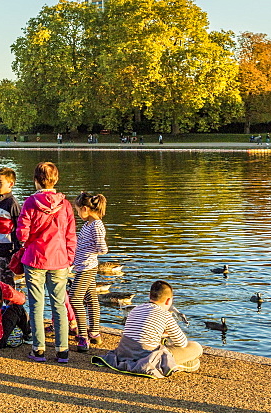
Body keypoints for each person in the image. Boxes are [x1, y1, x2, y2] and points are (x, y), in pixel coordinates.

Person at [16, 161, 77, 363]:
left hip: (35, 258)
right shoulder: (66, 205)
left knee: (36, 304)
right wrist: (69, 258)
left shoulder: (30, 203)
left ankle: (39, 349)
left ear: (36, 181)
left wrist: (25, 239)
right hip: (59, 259)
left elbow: (22, 233)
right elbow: (70, 235)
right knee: (59, 303)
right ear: (56, 179)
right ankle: (62, 351)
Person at [98, 280, 203, 378]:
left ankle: (182, 364)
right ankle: (179, 365)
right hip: (147, 358)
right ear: (168, 301)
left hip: (124, 353)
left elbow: (140, 332)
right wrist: (169, 334)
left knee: (166, 345)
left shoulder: (136, 309)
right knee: (196, 348)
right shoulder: (165, 315)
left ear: (149, 296)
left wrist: (162, 334)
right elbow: (182, 343)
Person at [69, 192, 108, 352]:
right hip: (83, 266)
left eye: (78, 210)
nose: (77, 213)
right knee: (91, 298)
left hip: (87, 268)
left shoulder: (97, 225)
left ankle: (83, 336)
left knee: (74, 298)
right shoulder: (88, 225)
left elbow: (102, 248)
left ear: (85, 209)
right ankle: (95, 333)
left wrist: (91, 252)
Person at [0, 167, 21, 286]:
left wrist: (16, 250)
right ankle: (2, 303)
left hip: (7, 249)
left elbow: (18, 227)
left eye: (0, 182)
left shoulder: (12, 203)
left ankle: (12, 304)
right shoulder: (0, 201)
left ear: (11, 184)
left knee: (7, 281)